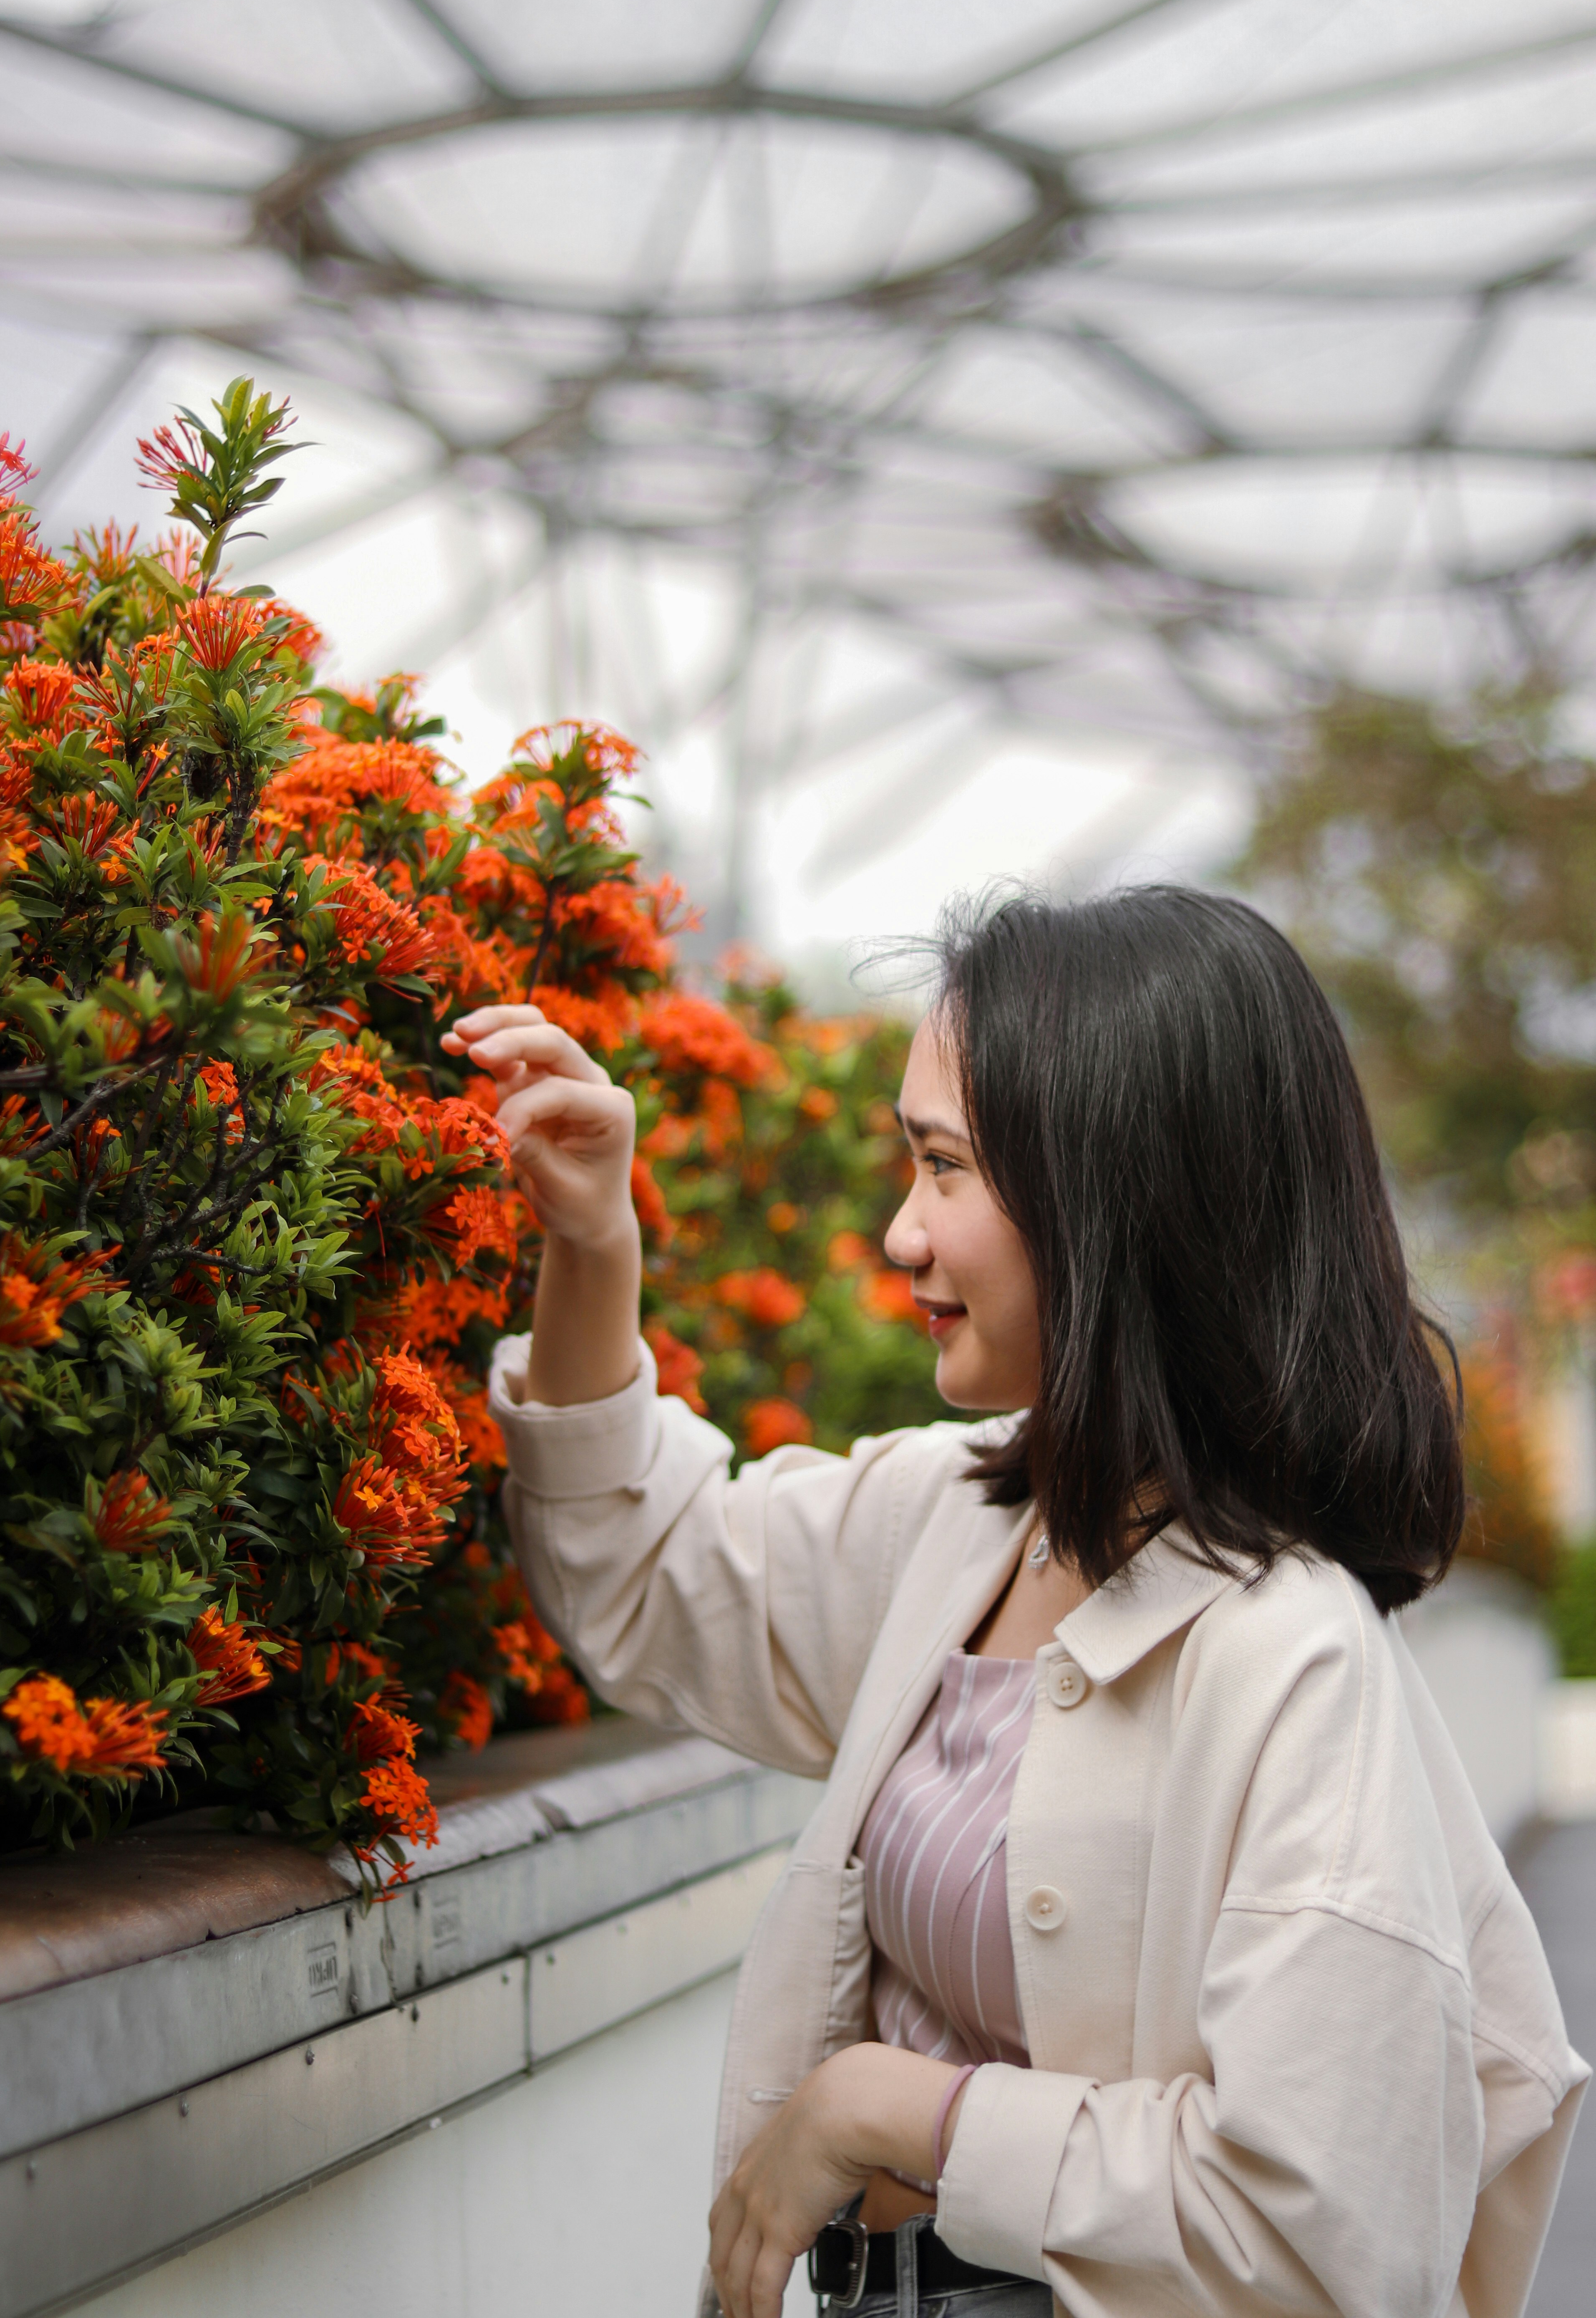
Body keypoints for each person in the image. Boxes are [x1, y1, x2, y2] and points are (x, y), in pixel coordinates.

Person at [444, 886, 1587, 2318]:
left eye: (944, 1171)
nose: (897, 1236)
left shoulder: (1291, 1656)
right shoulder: (966, 1519)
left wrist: (890, 2111)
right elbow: (649, 1580)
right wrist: (595, 1246)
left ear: (1115, 1206)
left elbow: (1320, 2240)